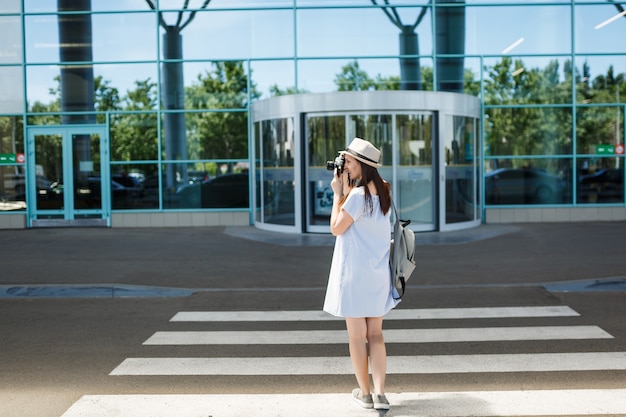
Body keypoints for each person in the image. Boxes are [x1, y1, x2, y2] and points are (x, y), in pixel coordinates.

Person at [322, 137, 401, 411]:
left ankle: (365, 394)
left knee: (357, 336)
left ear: (363, 165)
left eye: (351, 162)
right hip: (377, 274)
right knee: (376, 334)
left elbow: (336, 228)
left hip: (355, 276)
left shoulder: (356, 197)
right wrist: (346, 188)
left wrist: (337, 193)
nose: (346, 167)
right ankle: (381, 393)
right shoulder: (385, 192)